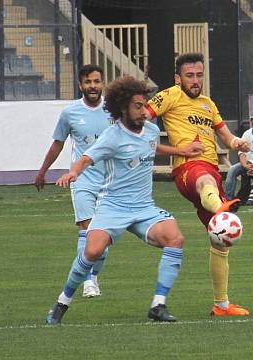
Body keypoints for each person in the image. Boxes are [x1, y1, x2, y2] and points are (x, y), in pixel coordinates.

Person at [46, 75, 205, 325]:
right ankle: (62, 301)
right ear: (123, 108)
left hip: (144, 208)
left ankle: (158, 305)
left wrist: (182, 151)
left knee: (175, 239)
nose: (144, 112)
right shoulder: (112, 136)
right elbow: (86, 158)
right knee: (92, 252)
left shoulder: (151, 130)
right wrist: (74, 172)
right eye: (138, 106)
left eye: (144, 105)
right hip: (113, 207)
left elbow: (152, 146)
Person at [145, 52, 252, 316]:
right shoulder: (169, 96)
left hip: (212, 172)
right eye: (190, 76)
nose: (195, 80)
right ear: (177, 78)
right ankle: (221, 208)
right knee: (206, 182)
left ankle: (222, 305)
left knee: (221, 242)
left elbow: (226, 136)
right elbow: (141, 118)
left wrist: (238, 143)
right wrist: (173, 148)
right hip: (188, 169)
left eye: (199, 75)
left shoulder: (208, 104)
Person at [34, 64, 111, 298]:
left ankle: (93, 275)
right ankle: (88, 282)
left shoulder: (113, 110)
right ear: (80, 85)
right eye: (88, 82)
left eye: (96, 81)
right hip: (82, 180)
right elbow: (58, 143)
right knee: (87, 232)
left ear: (102, 83)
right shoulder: (70, 113)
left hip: (110, 182)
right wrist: (43, 171)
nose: (93, 86)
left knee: (104, 239)